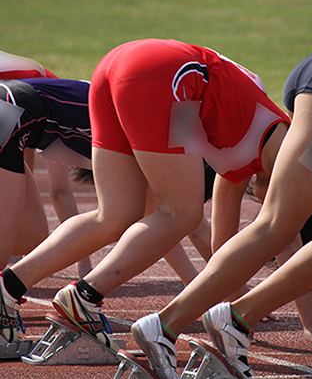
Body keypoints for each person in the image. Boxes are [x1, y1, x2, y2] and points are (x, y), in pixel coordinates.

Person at [0, 38, 294, 348]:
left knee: (115, 216)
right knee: (182, 213)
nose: (259, 197)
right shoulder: (280, 150)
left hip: (121, 67)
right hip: (165, 76)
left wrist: (239, 298)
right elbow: (281, 229)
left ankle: (9, 285)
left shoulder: (241, 160)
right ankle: (83, 297)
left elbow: (225, 244)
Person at [128, 48, 312, 378]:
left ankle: (223, 319)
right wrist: (310, 323)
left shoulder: (232, 169)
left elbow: (221, 245)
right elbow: (279, 239)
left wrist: (233, 300)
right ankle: (167, 325)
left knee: (275, 224)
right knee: (275, 223)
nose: (260, 198)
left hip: (310, 77)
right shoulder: (270, 147)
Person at [0, 51, 92, 278]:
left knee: (32, 236)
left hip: (12, 115)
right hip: (8, 111)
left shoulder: (59, 99)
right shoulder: (50, 96)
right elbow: (60, 192)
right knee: (5, 249)